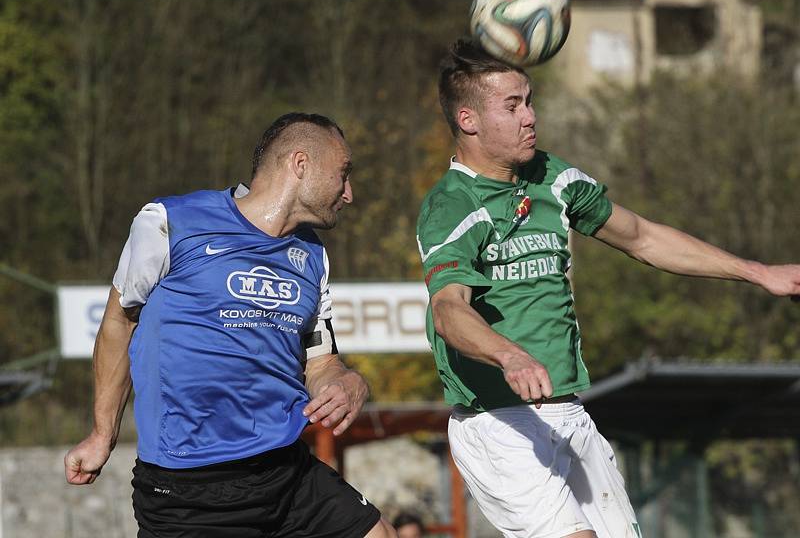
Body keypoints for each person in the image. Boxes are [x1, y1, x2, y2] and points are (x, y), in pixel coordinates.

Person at [415, 40, 800, 538]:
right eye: (512, 106)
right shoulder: (451, 204)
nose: (530, 116)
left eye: (529, 100)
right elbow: (448, 310)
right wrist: (508, 355)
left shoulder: (552, 178)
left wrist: (757, 272)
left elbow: (642, 237)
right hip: (497, 422)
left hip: (568, 413)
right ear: (468, 120)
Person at [65, 113, 397, 538]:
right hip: (190, 491)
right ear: (300, 164)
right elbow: (118, 323)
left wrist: (347, 381)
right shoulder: (168, 223)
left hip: (284, 471)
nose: (349, 193)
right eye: (343, 174)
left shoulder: (313, 256)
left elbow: (320, 361)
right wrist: (101, 434)